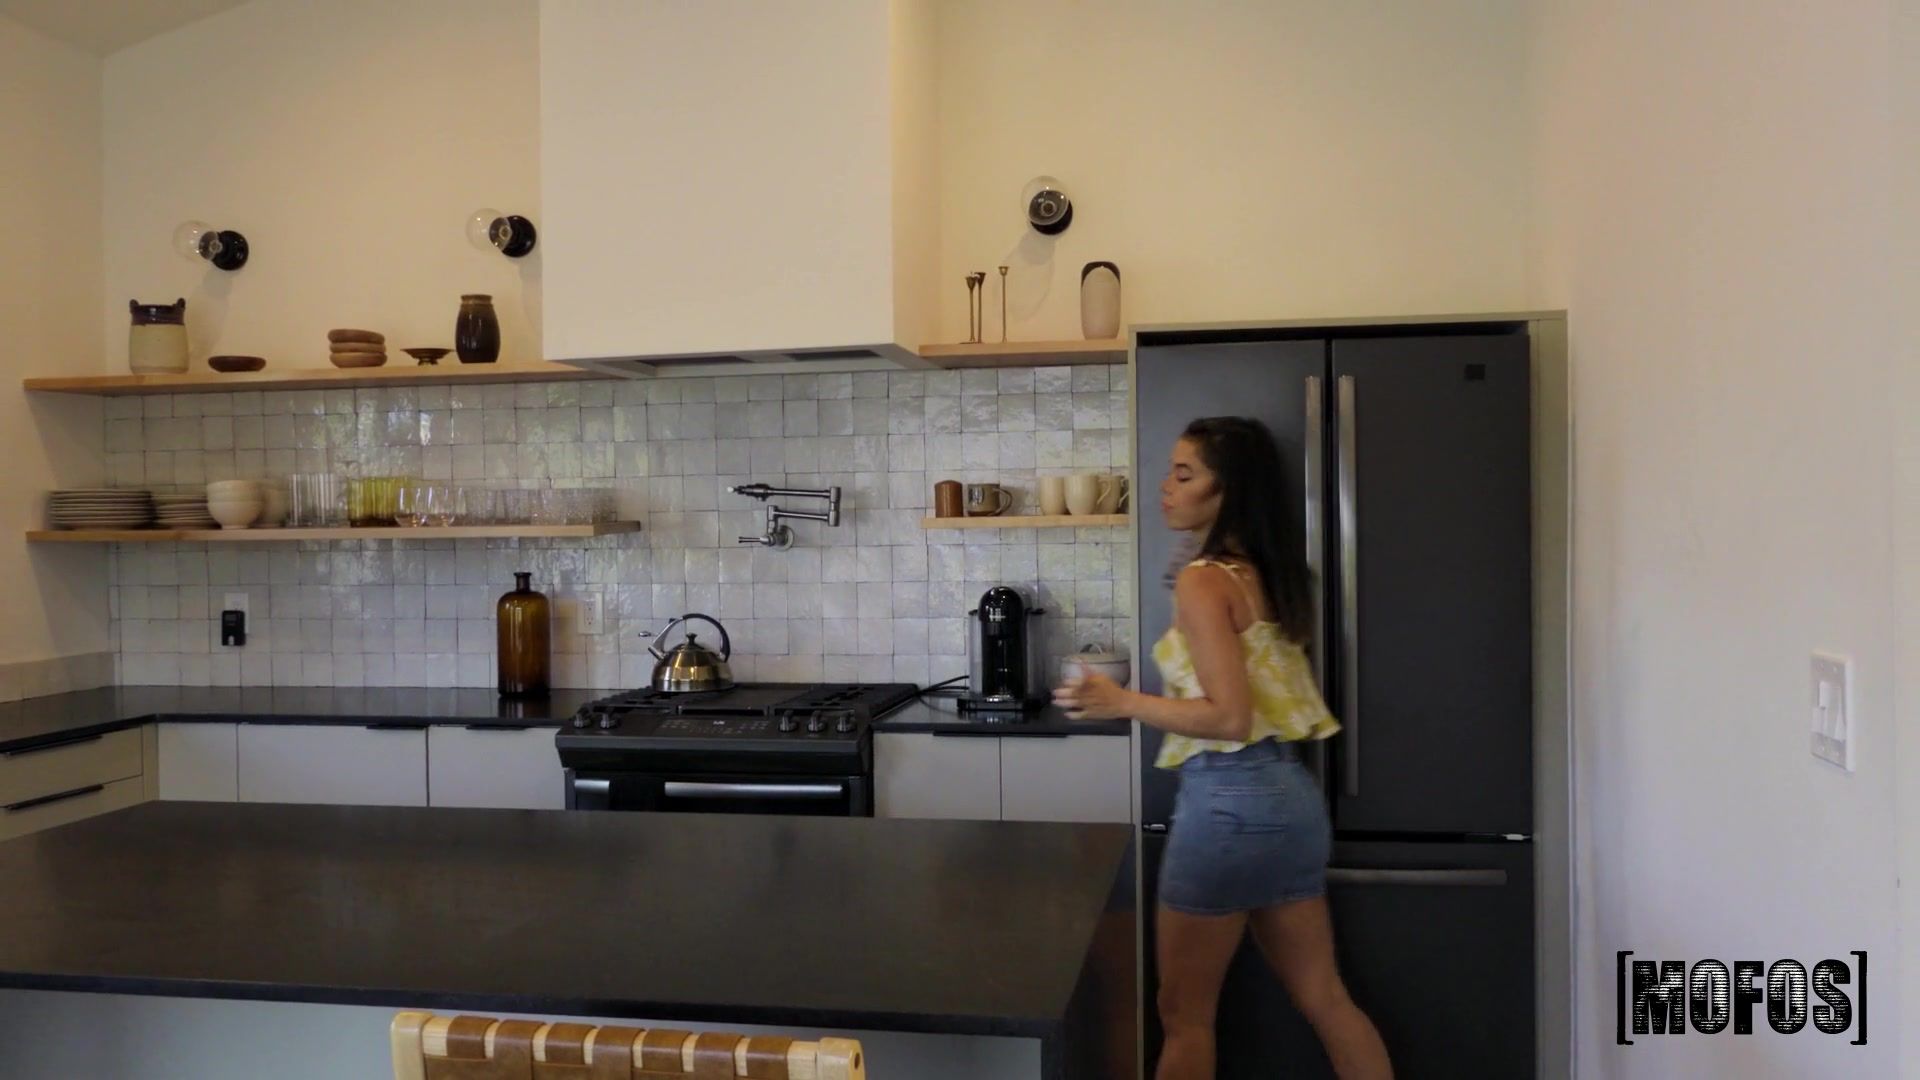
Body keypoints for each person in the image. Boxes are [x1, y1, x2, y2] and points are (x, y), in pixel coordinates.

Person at [1054, 416, 1393, 1080]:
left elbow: (1230, 718)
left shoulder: (1204, 580)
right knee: (1326, 998)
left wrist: (1120, 701)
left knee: (1184, 1016)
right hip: (1290, 801)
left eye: (1184, 474)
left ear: (1226, 490)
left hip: (1229, 804)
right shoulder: (1266, 573)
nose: (1165, 487)